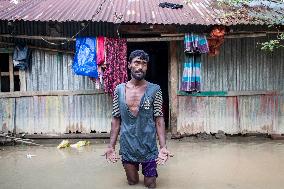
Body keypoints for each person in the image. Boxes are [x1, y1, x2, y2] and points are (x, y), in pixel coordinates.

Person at [104, 50, 173, 188]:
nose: (140, 67)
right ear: (129, 65)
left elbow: (159, 119)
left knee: (150, 184)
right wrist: (111, 146)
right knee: (132, 182)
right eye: (137, 62)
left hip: (148, 146)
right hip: (127, 145)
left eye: (144, 64)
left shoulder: (155, 89)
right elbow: (116, 119)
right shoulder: (119, 90)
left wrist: (163, 147)